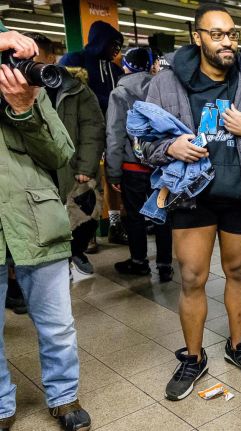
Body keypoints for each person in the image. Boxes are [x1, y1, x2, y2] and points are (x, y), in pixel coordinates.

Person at [139, 4, 241, 400]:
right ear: (197, 37)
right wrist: (170, 146)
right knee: (192, 278)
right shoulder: (167, 83)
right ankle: (193, 357)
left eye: (232, 34)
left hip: (239, 195)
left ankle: (238, 346)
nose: (227, 42)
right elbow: (143, 142)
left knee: (238, 272)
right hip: (191, 197)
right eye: (217, 34)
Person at [0, 25, 91, 431]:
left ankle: (64, 396)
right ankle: (2, 407)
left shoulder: (31, 94)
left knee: (57, 324)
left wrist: (24, 109)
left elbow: (61, 153)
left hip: (36, 219)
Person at [29, 33, 106, 276]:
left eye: (34, 54)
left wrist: (86, 166)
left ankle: (76, 250)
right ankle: (52, 264)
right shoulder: (16, 89)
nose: (28, 61)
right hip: (34, 171)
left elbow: (93, 127)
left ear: (51, 57)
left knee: (83, 216)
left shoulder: (75, 89)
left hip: (70, 168)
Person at [106, 47, 174, 282]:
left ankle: (139, 262)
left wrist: (113, 173)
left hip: (132, 167)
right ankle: (165, 265)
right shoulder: (161, 89)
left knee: (134, 216)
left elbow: (115, 135)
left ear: (126, 65)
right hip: (160, 164)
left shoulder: (120, 93)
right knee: (162, 213)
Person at [60, 21, 127, 248]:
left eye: (119, 45)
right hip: (84, 134)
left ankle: (115, 224)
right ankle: (85, 231)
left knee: (115, 178)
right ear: (102, 41)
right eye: (114, 44)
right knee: (85, 182)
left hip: (114, 132)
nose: (116, 50)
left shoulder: (116, 70)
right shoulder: (75, 60)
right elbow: (67, 94)